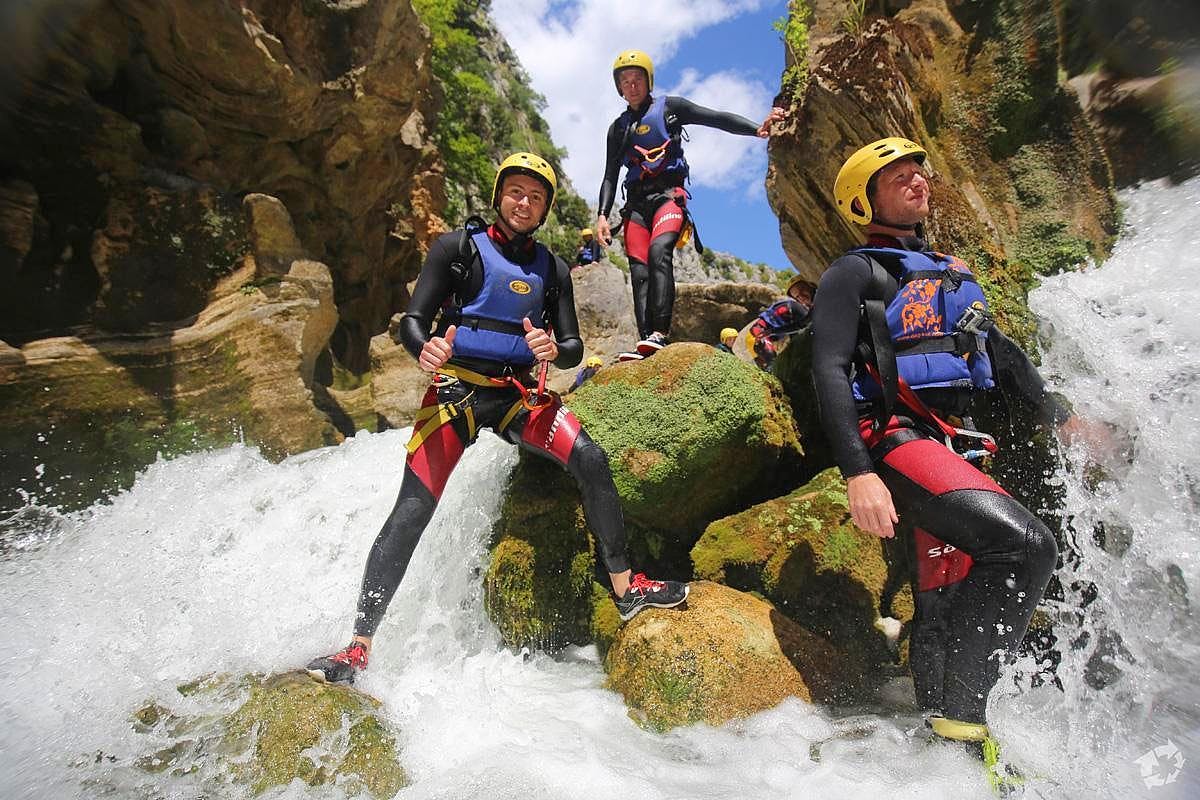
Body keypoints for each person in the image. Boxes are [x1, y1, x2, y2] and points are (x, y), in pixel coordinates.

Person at [307, 153, 688, 685]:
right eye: (515, 192)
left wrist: (554, 346)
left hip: (515, 395)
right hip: (454, 392)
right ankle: (358, 645)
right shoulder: (456, 250)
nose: (524, 202)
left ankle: (626, 588)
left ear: (545, 208)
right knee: (413, 509)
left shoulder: (553, 269)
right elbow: (414, 322)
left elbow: (574, 346)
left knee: (591, 458)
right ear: (498, 196)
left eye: (535, 196)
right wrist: (425, 350)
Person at [810, 137, 1108, 772]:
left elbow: (1001, 355)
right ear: (865, 199)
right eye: (898, 177)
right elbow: (830, 370)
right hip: (896, 439)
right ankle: (969, 719)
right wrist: (859, 475)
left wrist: (1062, 414)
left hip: (959, 443)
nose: (918, 181)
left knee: (944, 603)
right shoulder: (854, 273)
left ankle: (945, 761)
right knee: (1025, 547)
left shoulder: (952, 274)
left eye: (920, 172)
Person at [594, 49, 786, 361]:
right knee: (639, 272)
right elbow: (609, 175)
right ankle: (645, 342)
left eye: (637, 79)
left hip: (669, 196)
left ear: (648, 81)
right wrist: (603, 215)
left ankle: (660, 332)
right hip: (636, 207)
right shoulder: (618, 129)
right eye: (625, 81)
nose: (632, 85)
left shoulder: (670, 108)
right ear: (619, 88)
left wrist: (756, 129)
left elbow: (716, 118)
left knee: (660, 252)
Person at [747, 276, 814, 371]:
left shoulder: (817, 299)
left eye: (802, 290)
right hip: (760, 334)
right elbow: (800, 326)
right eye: (797, 296)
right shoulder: (803, 310)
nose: (801, 297)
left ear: (810, 286)